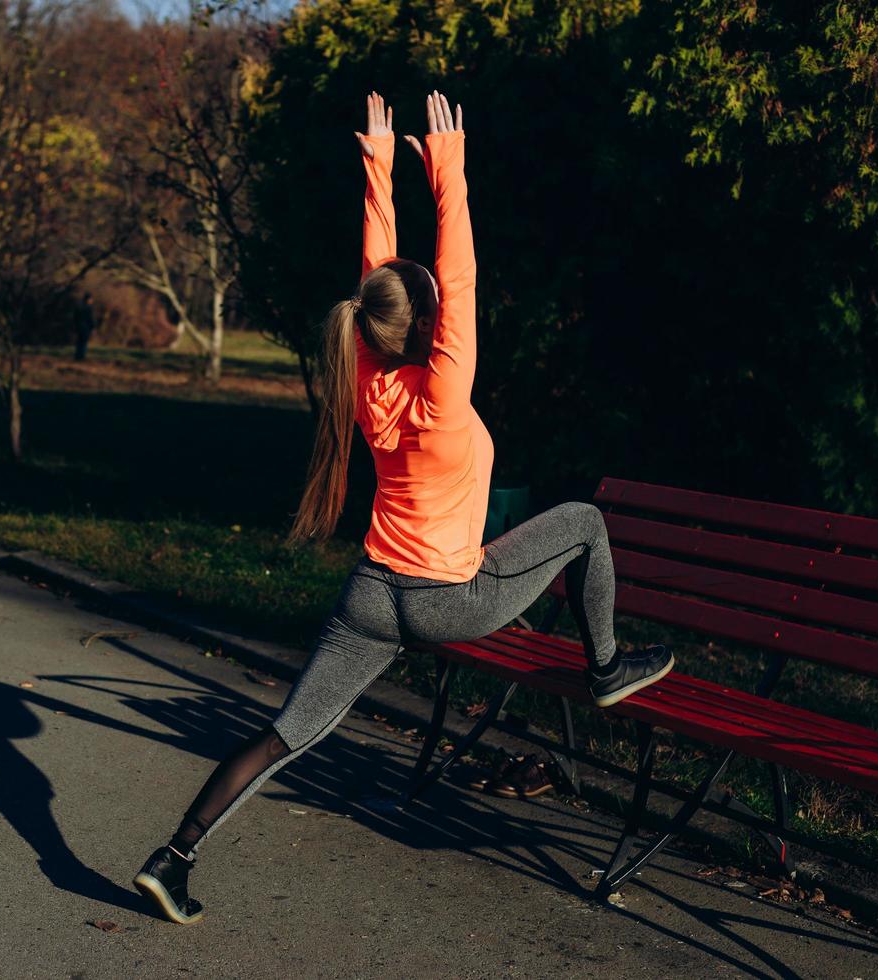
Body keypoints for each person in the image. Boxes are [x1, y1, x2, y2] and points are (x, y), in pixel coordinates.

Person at [132, 90, 675, 925]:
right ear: (429, 326)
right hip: (451, 601)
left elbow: (378, 286)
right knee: (585, 525)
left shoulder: (366, 375)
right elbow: (455, 272)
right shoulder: (444, 391)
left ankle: (176, 854)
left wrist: (381, 168)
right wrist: (445, 167)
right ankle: (606, 669)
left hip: (370, 596)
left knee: (288, 731)